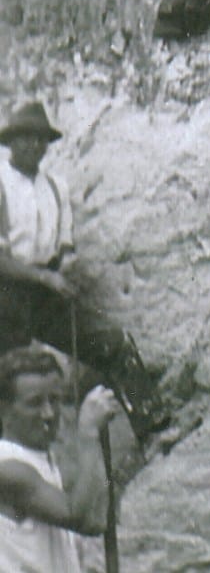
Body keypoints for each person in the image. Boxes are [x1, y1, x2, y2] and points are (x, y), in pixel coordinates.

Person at [0, 103, 161, 443]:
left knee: (112, 342)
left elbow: (65, 243)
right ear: (11, 142)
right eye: (26, 138)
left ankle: (153, 428)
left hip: (47, 293)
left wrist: (66, 260)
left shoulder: (56, 186)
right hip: (6, 295)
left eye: (41, 139)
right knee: (8, 380)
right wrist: (45, 278)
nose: (34, 146)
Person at [0, 345, 126, 570]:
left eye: (55, 400)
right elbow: (77, 516)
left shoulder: (43, 459)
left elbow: (96, 522)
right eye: (35, 403)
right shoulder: (7, 467)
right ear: (4, 409)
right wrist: (88, 433)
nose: (48, 413)